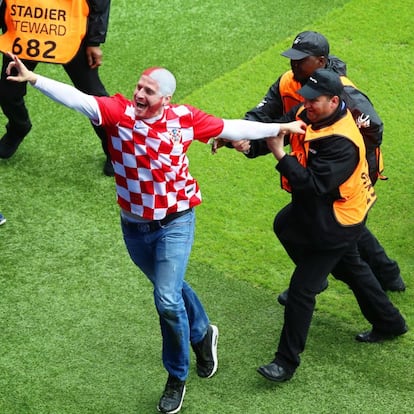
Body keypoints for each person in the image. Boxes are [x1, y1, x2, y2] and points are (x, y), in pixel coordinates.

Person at [5, 52, 306, 413]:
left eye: (149, 90)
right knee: (172, 289)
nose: (140, 94)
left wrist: (279, 129)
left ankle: (176, 377)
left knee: (165, 298)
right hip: (134, 228)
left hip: (176, 222)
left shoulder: (184, 119)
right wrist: (34, 79)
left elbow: (230, 127)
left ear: (166, 99)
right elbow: (79, 100)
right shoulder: (119, 114)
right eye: (139, 86)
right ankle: (202, 332)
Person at [229, 31, 405, 304]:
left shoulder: (344, 92)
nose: (294, 65)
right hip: (312, 172)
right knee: (341, 235)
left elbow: (374, 130)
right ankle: (383, 280)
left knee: (341, 236)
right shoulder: (288, 82)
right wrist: (237, 136)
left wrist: (341, 165)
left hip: (345, 174)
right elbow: (264, 115)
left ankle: (320, 283)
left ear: (320, 62)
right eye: (292, 59)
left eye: (301, 60)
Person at [256, 68, 408, 383]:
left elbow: (312, 185)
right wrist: (242, 144)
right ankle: (389, 322)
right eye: (306, 98)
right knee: (289, 227)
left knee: (301, 290)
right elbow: (278, 128)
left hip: (339, 221)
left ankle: (285, 364)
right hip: (325, 210)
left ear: (334, 101)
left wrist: (279, 155)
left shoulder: (343, 141)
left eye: (313, 101)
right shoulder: (311, 111)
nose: (305, 105)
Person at [0, 0, 114, 176]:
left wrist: (94, 41)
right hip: (24, 28)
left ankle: (114, 150)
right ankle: (18, 127)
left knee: (94, 96)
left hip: (70, 31)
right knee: (7, 91)